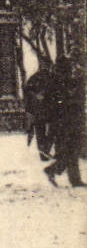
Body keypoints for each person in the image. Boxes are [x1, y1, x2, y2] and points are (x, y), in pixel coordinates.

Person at [43, 55, 84, 187]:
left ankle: (72, 178)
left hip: (66, 121)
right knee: (70, 150)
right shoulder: (57, 83)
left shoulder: (62, 81)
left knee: (72, 150)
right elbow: (55, 103)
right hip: (63, 122)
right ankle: (56, 171)